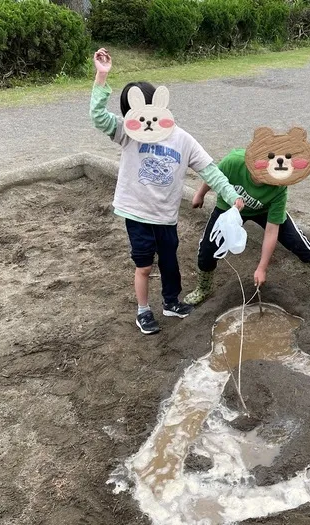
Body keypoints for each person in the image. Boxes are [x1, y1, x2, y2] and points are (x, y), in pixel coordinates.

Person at [89, 48, 244, 335]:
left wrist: (230, 193)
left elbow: (209, 168)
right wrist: (102, 76)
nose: (144, 122)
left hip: (166, 215)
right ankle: (143, 311)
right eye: (134, 115)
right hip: (136, 212)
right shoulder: (127, 132)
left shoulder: (182, 139)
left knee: (171, 262)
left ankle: (171, 302)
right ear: (130, 115)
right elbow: (98, 116)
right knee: (145, 266)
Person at [184, 127, 310, 306]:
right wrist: (200, 194)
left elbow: (271, 231)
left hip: (263, 210)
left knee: (297, 241)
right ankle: (204, 287)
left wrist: (262, 268)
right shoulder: (234, 161)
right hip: (229, 208)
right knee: (208, 248)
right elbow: (213, 177)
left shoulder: (279, 186)